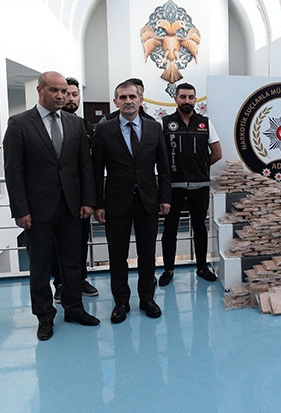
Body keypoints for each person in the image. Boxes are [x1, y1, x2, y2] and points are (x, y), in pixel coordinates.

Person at [3, 71, 100, 340]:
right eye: (54, 90)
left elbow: (84, 166)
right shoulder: (19, 124)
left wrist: (88, 201)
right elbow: (13, 170)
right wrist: (20, 210)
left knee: (73, 263)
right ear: (40, 90)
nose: (61, 96)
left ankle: (74, 309)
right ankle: (45, 317)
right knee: (40, 267)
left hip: (71, 207)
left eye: (64, 91)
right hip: (36, 211)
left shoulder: (75, 124)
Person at [92, 80, 171, 324]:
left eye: (132, 97)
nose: (128, 101)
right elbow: (96, 171)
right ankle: (121, 302)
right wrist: (98, 204)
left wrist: (165, 197)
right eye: (123, 97)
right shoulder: (104, 130)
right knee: (117, 256)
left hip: (148, 201)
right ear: (115, 102)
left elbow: (164, 167)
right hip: (115, 203)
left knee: (147, 255)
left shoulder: (154, 128)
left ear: (140, 100)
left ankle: (147, 298)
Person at [158, 83, 222, 286]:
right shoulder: (164, 123)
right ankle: (168, 269)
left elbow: (217, 153)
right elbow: (159, 155)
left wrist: (200, 167)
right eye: (183, 97)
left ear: (195, 100)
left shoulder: (205, 123)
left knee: (199, 227)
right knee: (170, 228)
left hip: (199, 185)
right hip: (173, 187)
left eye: (191, 97)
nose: (187, 101)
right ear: (175, 98)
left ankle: (202, 267)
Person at [50, 76, 98, 303]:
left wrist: (90, 199)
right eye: (66, 93)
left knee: (80, 240)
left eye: (74, 94)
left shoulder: (85, 127)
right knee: (55, 244)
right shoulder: (46, 125)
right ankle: (60, 283)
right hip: (52, 197)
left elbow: (89, 166)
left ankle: (80, 279)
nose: (70, 98)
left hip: (79, 197)